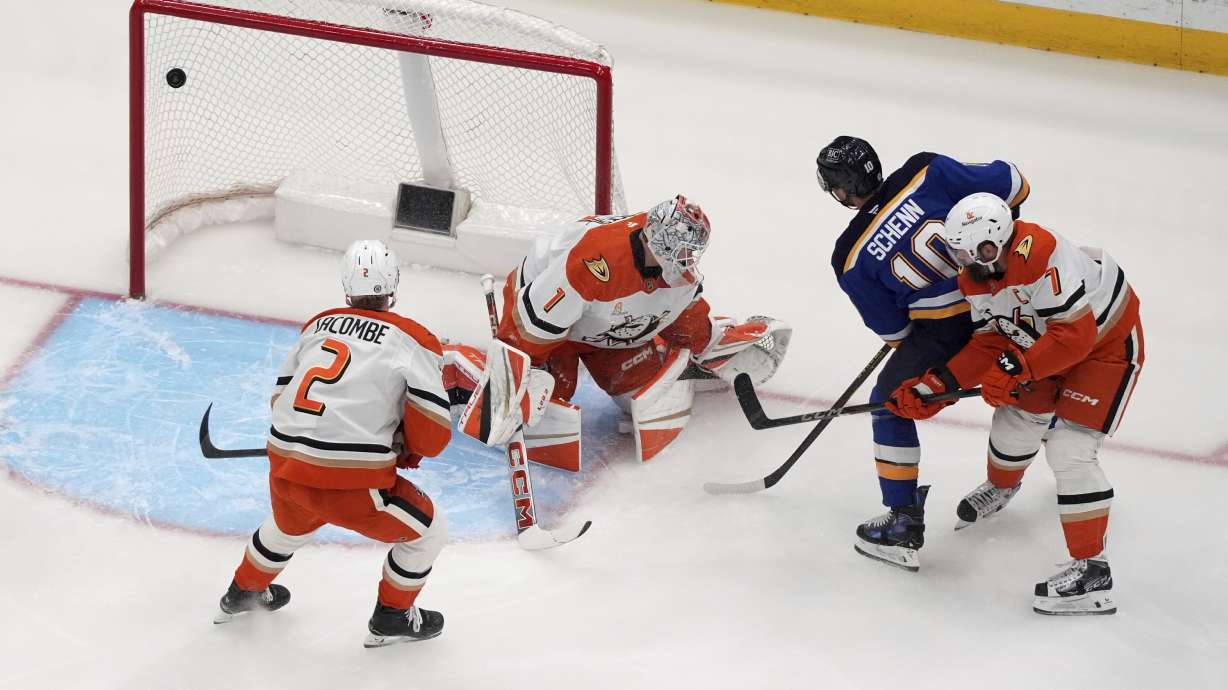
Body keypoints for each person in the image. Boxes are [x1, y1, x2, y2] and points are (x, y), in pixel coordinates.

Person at [887, 192, 1142, 615]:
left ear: (1000, 239)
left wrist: (1016, 368)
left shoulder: (1040, 253)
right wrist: (936, 386)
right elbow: (991, 341)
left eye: (981, 251)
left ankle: (1093, 571)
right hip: (1043, 342)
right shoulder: (975, 279)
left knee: (1070, 449)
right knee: (1014, 423)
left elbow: (1075, 337)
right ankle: (1003, 487)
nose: (973, 262)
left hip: (1104, 346)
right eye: (963, 254)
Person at [213, 239, 454, 647]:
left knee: (289, 524)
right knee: (429, 533)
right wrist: (403, 443)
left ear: (346, 286)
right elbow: (432, 436)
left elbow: (279, 399)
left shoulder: (316, 325)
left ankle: (242, 593)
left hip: (285, 468)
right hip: (352, 485)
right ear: (393, 285)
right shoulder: (414, 339)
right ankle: (392, 616)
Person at [816, 136, 1030, 570]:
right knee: (1034, 380)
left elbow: (895, 331)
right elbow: (1015, 184)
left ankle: (903, 521)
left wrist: (934, 347)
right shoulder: (925, 170)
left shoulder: (849, 256)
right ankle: (1024, 469)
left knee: (889, 403)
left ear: (840, 191)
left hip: (946, 335)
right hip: (1013, 302)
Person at [457, 195, 792, 467]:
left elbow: (683, 317)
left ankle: (667, 358)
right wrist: (516, 373)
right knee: (548, 402)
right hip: (549, 325)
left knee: (638, 396)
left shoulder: (674, 270)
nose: (687, 260)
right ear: (655, 241)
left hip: (609, 327)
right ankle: (463, 370)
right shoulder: (593, 262)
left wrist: (711, 341)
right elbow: (532, 324)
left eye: (691, 253)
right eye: (680, 251)